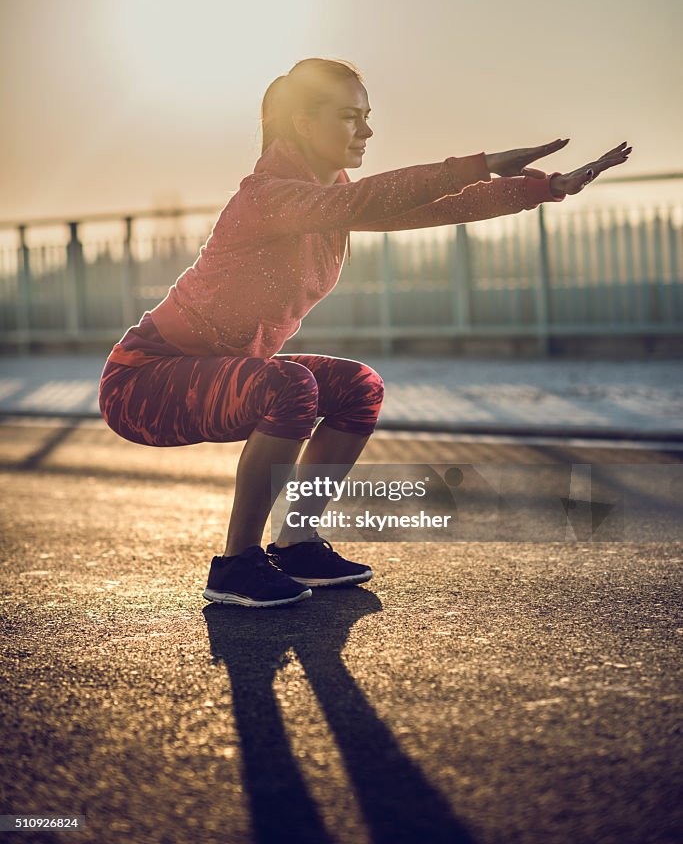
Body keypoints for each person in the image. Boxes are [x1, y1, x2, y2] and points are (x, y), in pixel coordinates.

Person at [98, 57, 632, 608]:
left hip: (217, 373)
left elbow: (432, 208)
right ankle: (235, 564)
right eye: (351, 117)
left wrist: (543, 188)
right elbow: (366, 201)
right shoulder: (268, 197)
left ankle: (296, 543)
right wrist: (484, 162)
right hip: (144, 381)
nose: (368, 131)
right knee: (291, 385)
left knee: (358, 386)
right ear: (304, 124)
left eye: (368, 115)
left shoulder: (330, 201)